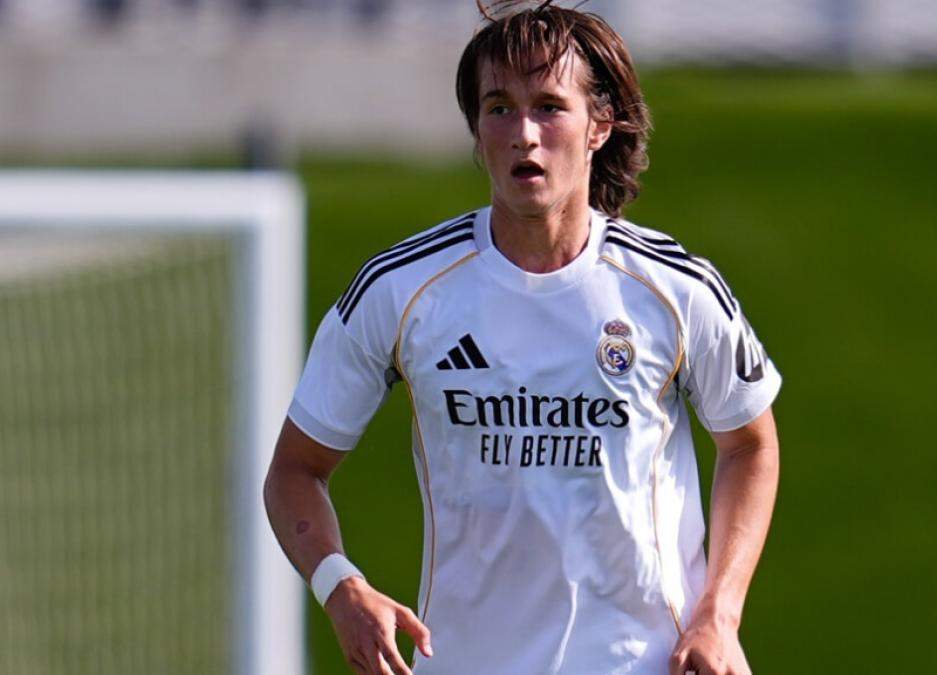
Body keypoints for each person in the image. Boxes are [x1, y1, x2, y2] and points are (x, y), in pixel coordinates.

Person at [263, 4, 783, 674]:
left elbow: (750, 444)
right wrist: (341, 586)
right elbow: (293, 470)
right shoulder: (402, 289)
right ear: (477, 134)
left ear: (598, 124)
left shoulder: (674, 288)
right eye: (499, 107)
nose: (524, 135)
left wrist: (720, 613)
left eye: (548, 106)